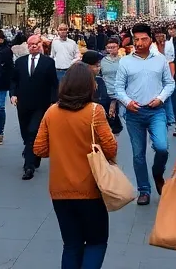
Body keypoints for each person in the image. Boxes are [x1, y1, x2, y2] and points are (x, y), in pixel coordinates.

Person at [33, 64, 118, 269]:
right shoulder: (95, 111)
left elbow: (39, 149)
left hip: (60, 189)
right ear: (89, 86)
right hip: (90, 188)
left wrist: (62, 146)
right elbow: (110, 148)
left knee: (71, 244)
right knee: (96, 242)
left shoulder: (52, 111)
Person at [114, 22, 174, 205]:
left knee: (162, 147)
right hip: (134, 113)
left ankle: (157, 172)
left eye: (144, 39)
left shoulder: (160, 60)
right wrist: (127, 102)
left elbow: (169, 83)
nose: (139, 43)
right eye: (137, 39)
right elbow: (118, 87)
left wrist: (161, 99)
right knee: (138, 154)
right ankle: (144, 190)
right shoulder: (125, 61)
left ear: (150, 40)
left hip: (156, 111)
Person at [11, 34, 59, 180]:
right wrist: (13, 94)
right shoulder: (20, 62)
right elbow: (14, 81)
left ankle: (29, 166)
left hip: (41, 104)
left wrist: (53, 101)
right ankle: (34, 153)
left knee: (33, 131)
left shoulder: (48, 62)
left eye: (36, 44)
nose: (33, 46)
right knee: (25, 133)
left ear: (40, 45)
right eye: (30, 44)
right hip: (23, 103)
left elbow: (54, 84)